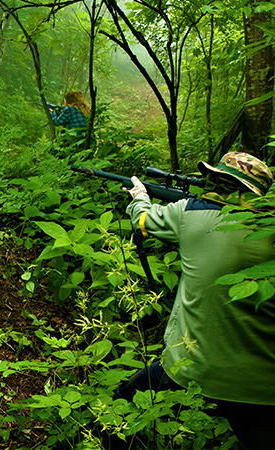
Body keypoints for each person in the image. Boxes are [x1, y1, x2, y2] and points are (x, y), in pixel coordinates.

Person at [116, 151, 275, 450]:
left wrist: (139, 195)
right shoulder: (271, 230)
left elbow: (142, 219)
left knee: (126, 401)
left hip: (191, 368)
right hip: (263, 384)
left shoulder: (188, 214)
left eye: (220, 181)